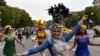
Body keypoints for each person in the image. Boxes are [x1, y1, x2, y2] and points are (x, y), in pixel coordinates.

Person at [15, 15, 88, 56]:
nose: (56, 33)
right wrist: (22, 54)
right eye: (54, 31)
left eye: (58, 31)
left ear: (60, 32)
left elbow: (73, 31)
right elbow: (37, 49)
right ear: (51, 32)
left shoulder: (64, 39)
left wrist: (81, 20)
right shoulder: (50, 41)